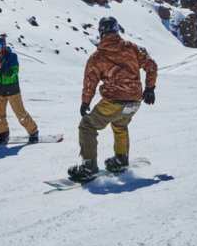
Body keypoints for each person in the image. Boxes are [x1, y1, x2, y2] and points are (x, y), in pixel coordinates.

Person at [67, 17, 157, 183]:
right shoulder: (131, 47)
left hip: (115, 101)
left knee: (87, 126)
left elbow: (90, 82)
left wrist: (85, 102)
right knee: (120, 125)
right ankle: (121, 160)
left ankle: (88, 167)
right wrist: (150, 88)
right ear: (116, 30)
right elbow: (151, 65)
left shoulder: (98, 57)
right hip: (135, 102)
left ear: (101, 32)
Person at [0, 35, 38, 144]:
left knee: (21, 114)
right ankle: (3, 133)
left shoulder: (12, 56)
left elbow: (13, 72)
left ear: (4, 46)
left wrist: (1, 67)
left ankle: (33, 132)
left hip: (12, 90)